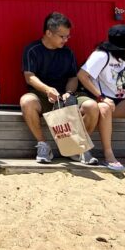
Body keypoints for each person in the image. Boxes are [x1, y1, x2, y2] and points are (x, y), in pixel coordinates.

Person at [20, 12, 99, 165]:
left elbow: (73, 77)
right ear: (48, 33)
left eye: (67, 36)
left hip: (66, 96)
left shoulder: (68, 52)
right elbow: (29, 76)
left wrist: (68, 93)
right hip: (42, 95)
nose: (65, 40)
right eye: (62, 36)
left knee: (92, 106)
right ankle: (43, 146)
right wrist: (47, 90)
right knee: (26, 102)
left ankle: (78, 148)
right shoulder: (32, 50)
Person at [77, 24, 125, 171]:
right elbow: (82, 76)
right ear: (120, 46)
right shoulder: (101, 55)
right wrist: (100, 97)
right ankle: (109, 155)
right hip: (98, 99)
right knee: (105, 109)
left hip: (118, 100)